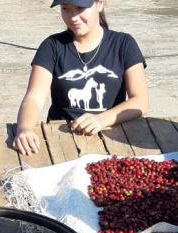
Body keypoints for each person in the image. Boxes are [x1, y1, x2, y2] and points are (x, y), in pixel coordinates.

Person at [14, 0, 149, 156]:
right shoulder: (51, 46)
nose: (73, 17)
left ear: (100, 4)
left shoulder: (124, 44)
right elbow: (34, 98)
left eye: (80, 8)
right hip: (62, 138)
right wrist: (24, 128)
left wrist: (102, 119)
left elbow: (141, 101)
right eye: (66, 9)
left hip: (112, 136)